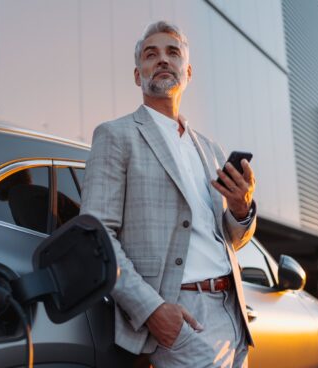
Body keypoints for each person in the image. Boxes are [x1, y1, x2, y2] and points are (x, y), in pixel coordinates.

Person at [80, 21, 257, 368]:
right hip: (180, 318)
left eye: (172, 53)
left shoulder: (211, 150)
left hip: (233, 314)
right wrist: (152, 310)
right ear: (137, 75)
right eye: (151, 54)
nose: (162, 59)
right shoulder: (116, 136)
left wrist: (241, 207)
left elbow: (232, 240)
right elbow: (96, 237)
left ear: (187, 72)